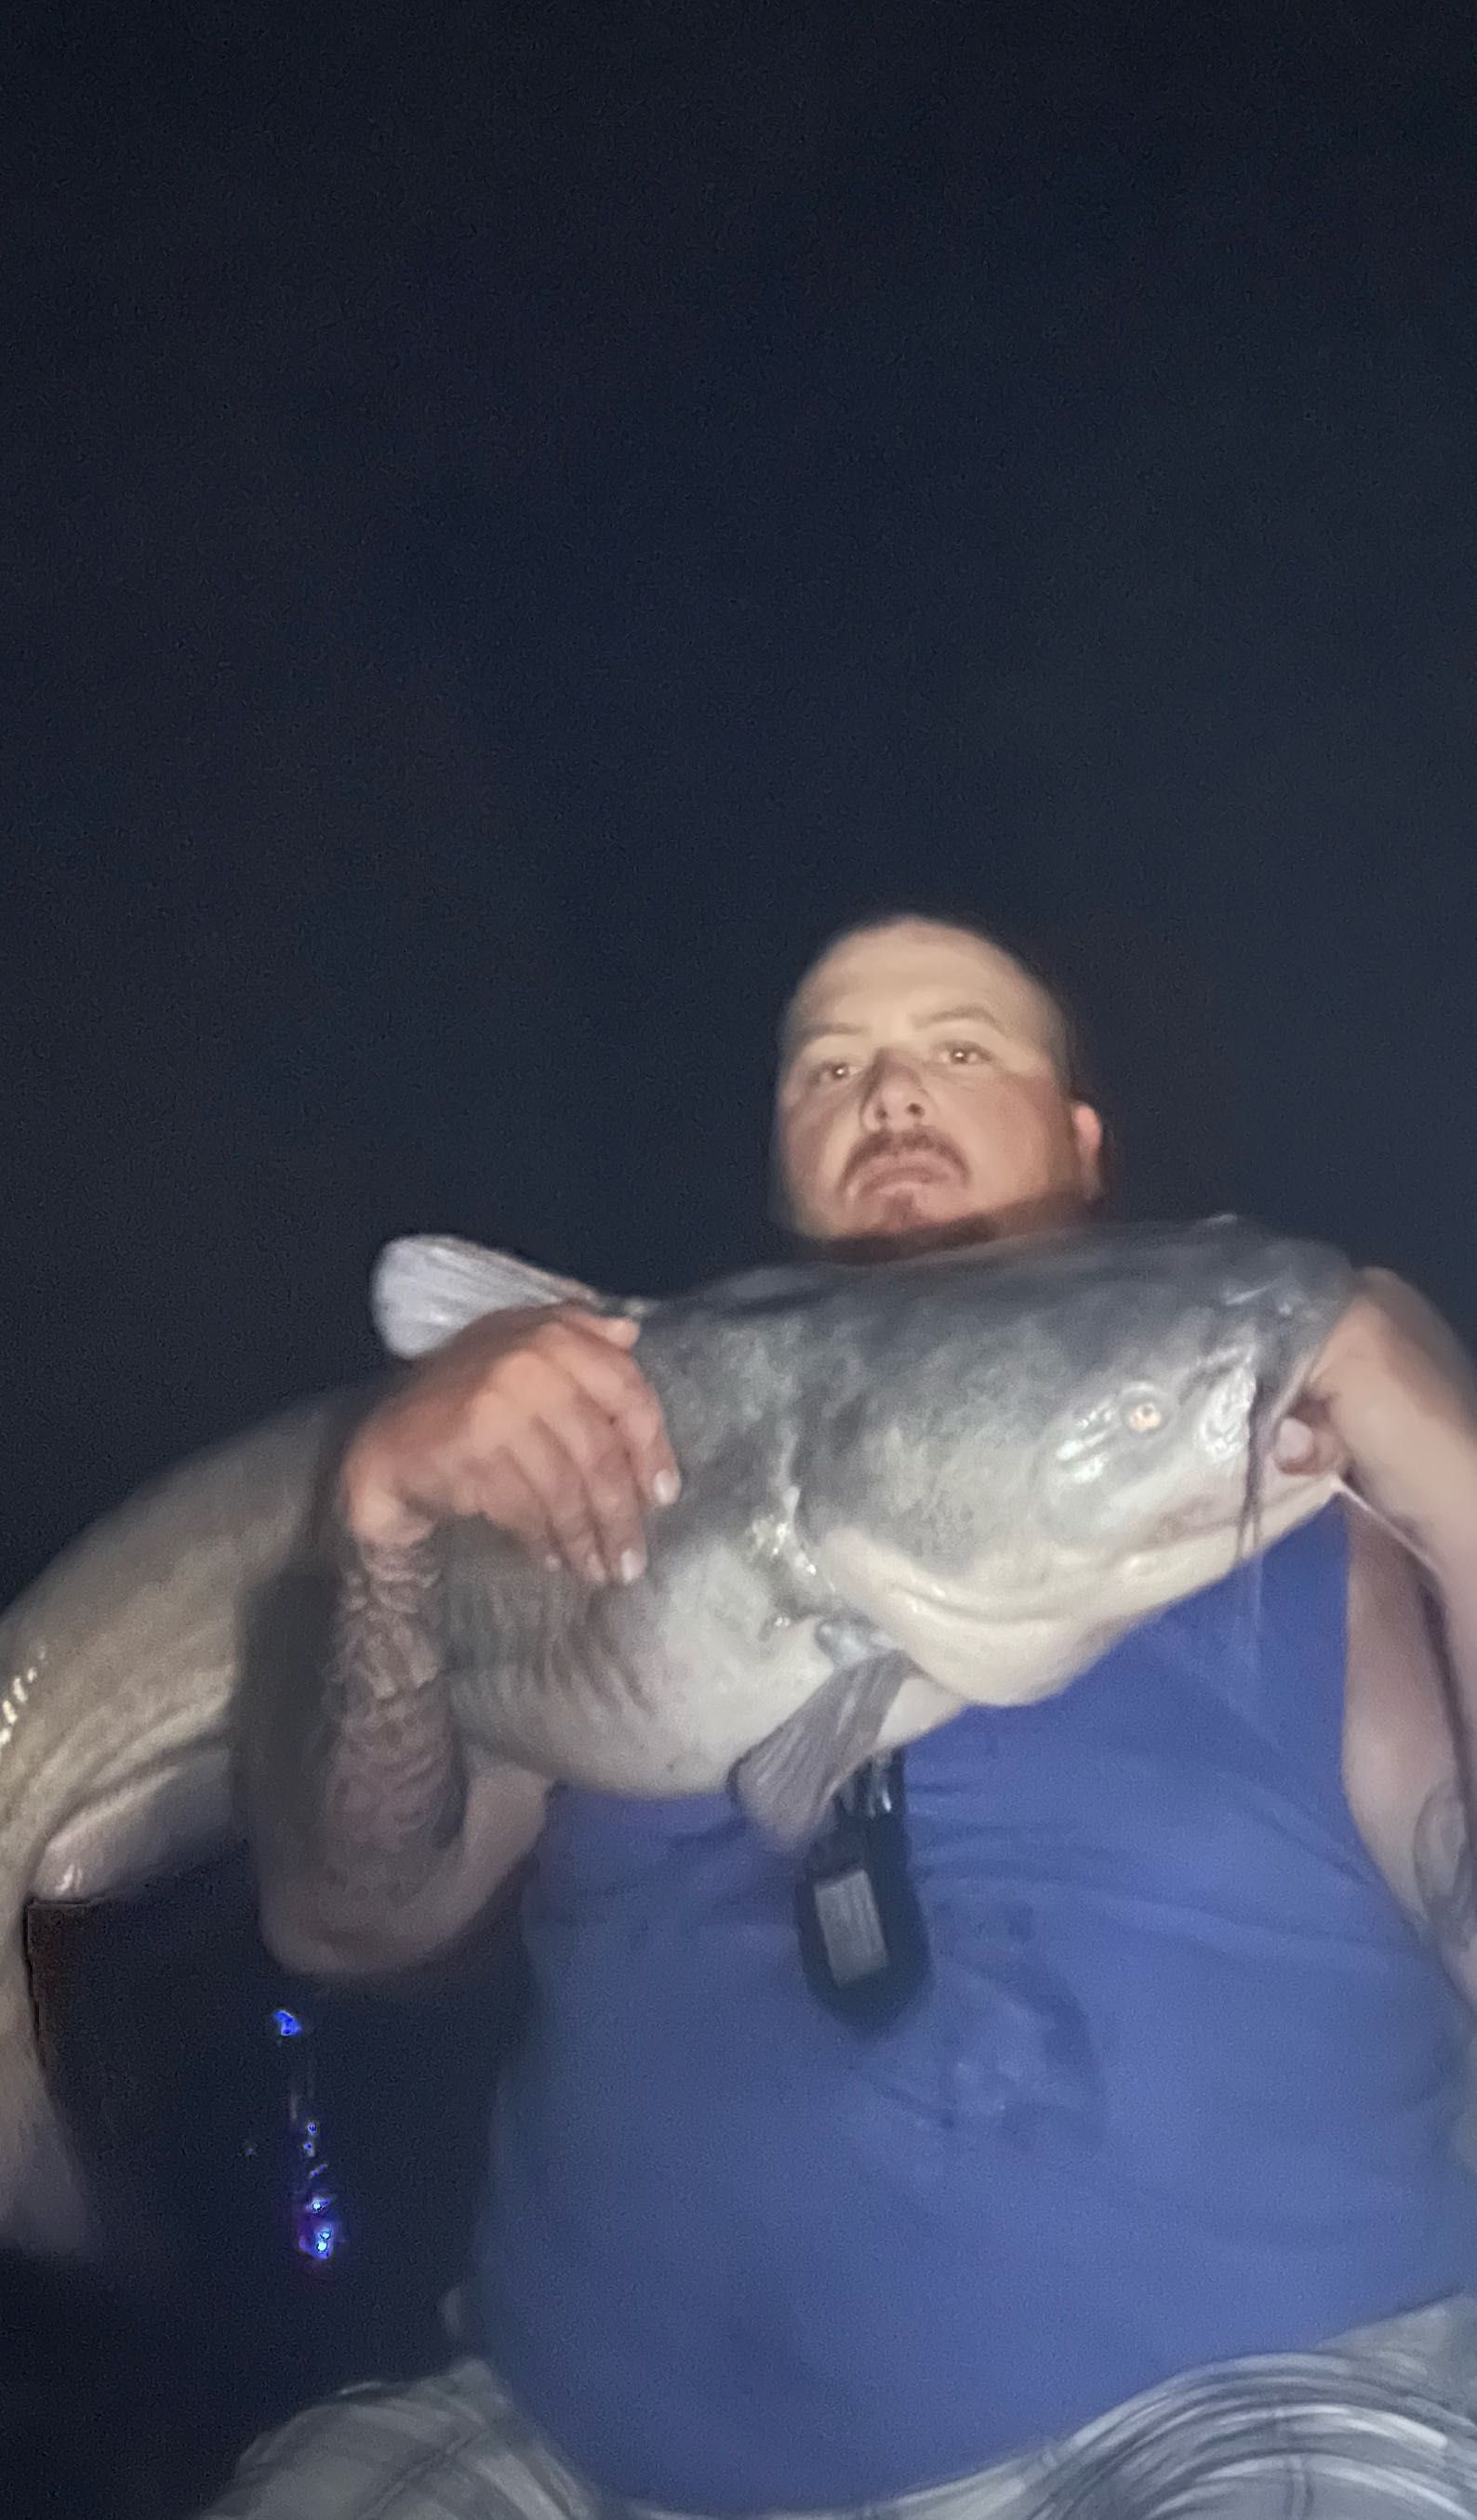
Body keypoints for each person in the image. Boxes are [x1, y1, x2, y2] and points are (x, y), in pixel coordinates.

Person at [219, 913, 1477, 2517]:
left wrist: (1450, 1459)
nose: (890, 1091)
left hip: (1243, 2411)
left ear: (1082, 1140)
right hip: (573, 2447)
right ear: (780, 1161)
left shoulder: (1297, 1504)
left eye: (961, 1047)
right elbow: (344, 1919)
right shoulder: (592, 1503)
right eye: (829, 1067)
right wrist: (385, 1530)